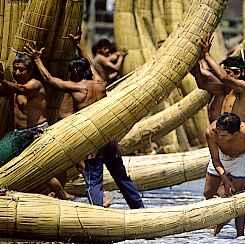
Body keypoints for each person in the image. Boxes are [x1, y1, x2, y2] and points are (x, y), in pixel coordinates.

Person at [25, 42, 144, 209]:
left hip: (93, 141)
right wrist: (79, 46)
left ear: (74, 72)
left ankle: (96, 212)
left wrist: (37, 59)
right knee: (121, 177)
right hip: (109, 138)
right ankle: (139, 208)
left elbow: (49, 79)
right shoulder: (100, 83)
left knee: (93, 180)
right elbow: (91, 63)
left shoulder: (78, 88)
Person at [0, 54, 73, 200]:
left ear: (30, 71)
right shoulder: (13, 86)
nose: (17, 73)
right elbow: (4, 91)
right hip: (19, 134)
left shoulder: (34, 84)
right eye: (15, 69)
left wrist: (2, 79)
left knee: (40, 167)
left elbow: (22, 89)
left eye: (22, 70)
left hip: (35, 132)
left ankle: (62, 195)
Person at [204, 112, 245, 237]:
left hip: (240, 159)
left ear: (235, 134)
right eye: (218, 132)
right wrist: (225, 179)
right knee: (208, 193)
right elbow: (215, 160)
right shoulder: (211, 132)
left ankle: (240, 236)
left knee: (238, 198)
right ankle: (214, 231)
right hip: (221, 157)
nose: (219, 137)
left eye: (223, 135)